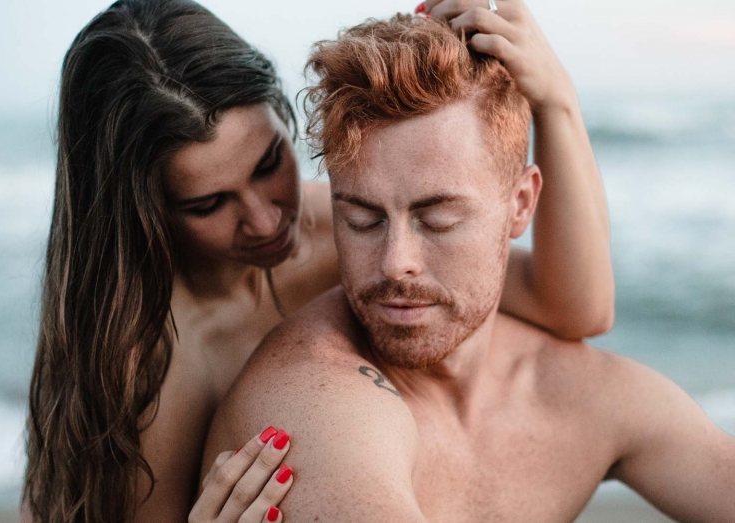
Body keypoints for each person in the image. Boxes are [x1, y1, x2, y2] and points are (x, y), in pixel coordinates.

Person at [23, 0, 615, 522]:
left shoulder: (354, 225)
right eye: (208, 203)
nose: (265, 219)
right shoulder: (156, 367)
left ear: (286, 117)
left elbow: (575, 309)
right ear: (144, 210)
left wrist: (556, 102)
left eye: (267, 164)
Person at [201, 12, 735, 523]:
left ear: (521, 204)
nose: (396, 263)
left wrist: (557, 100)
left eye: (437, 219)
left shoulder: (581, 393)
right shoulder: (309, 401)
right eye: (362, 220)